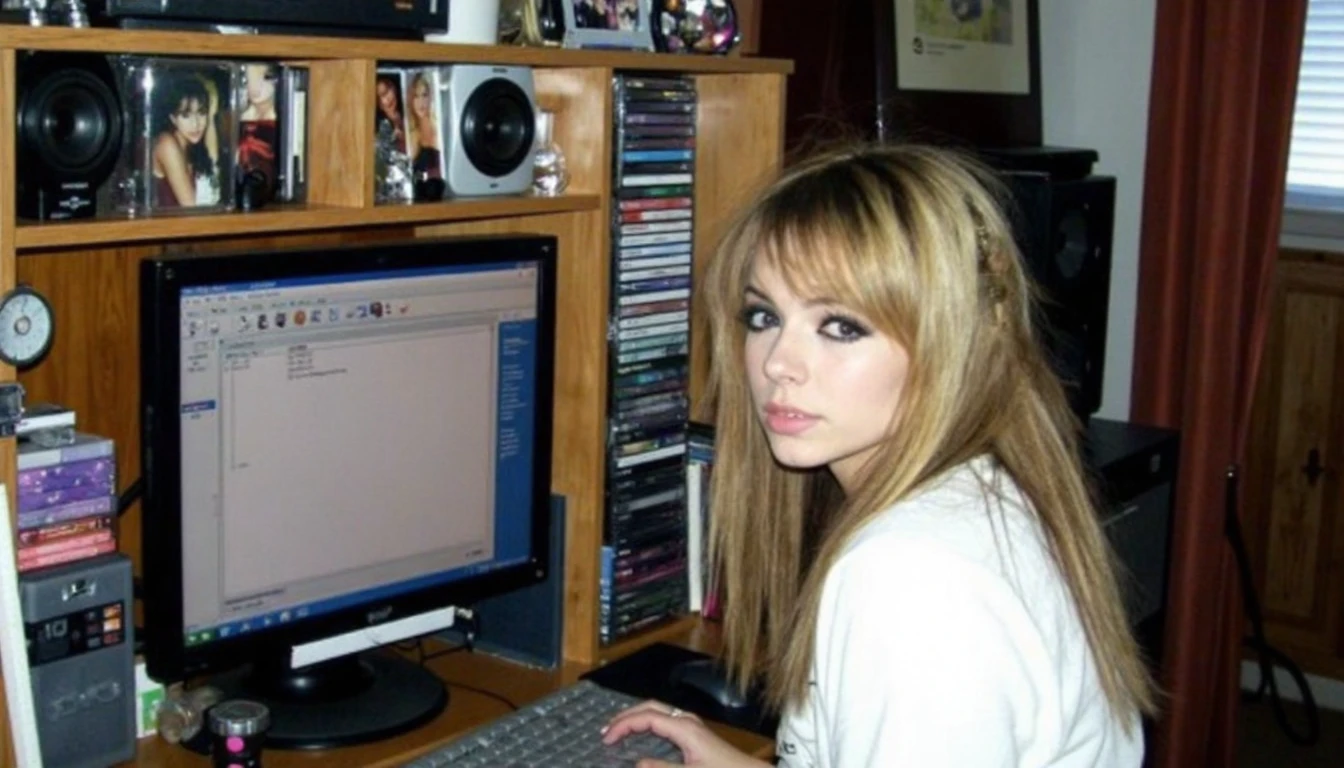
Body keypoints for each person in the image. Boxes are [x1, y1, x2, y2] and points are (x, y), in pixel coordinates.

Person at [601, 144, 1158, 767]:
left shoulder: (909, 576)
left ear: (949, 344)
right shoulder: (980, 494)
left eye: (841, 326)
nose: (778, 363)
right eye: (764, 316)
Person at [152, 72, 221, 208]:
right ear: (173, 118)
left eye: (201, 113)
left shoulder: (192, 147)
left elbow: (212, 178)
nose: (195, 124)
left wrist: (211, 116)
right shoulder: (167, 144)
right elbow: (190, 208)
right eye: (185, 115)